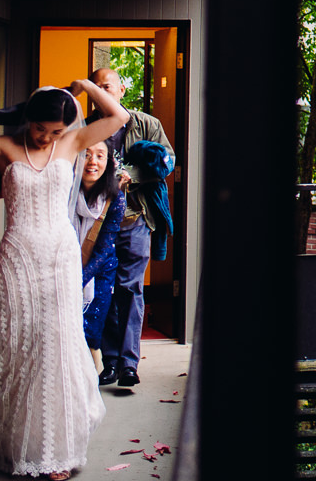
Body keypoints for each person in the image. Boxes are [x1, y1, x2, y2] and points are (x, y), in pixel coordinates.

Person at [0, 79, 126, 480]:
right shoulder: (6, 146)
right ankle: (18, 443)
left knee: (55, 347)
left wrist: (86, 86)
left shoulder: (72, 143)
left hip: (59, 257)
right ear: (29, 119)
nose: (47, 137)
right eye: (41, 129)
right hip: (18, 256)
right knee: (20, 345)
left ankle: (58, 450)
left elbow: (118, 116)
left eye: (55, 131)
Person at [93, 65, 174, 389]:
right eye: (97, 87)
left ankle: (128, 364)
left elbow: (167, 160)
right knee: (104, 290)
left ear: (121, 90)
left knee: (130, 289)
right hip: (97, 224)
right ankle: (109, 362)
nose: (103, 91)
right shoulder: (88, 127)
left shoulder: (146, 124)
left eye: (108, 86)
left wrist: (133, 175)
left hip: (135, 219)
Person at [70, 139, 128, 368]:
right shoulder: (63, 193)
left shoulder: (115, 200)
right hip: (64, 265)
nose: (93, 161)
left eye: (100, 155)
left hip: (99, 270)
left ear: (109, 162)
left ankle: (90, 383)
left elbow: (103, 250)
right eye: (86, 154)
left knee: (90, 331)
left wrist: (77, 282)